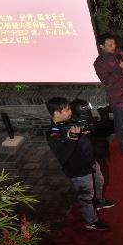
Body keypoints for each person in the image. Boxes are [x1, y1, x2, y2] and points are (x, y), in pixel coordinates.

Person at [45, 97, 114, 231]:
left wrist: (87, 133)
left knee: (99, 182)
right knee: (86, 196)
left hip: (90, 162)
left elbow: (85, 136)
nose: (70, 112)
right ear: (57, 113)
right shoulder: (53, 134)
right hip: (78, 169)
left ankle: (99, 202)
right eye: (67, 110)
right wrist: (73, 138)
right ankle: (91, 221)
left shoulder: (70, 121)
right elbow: (63, 154)